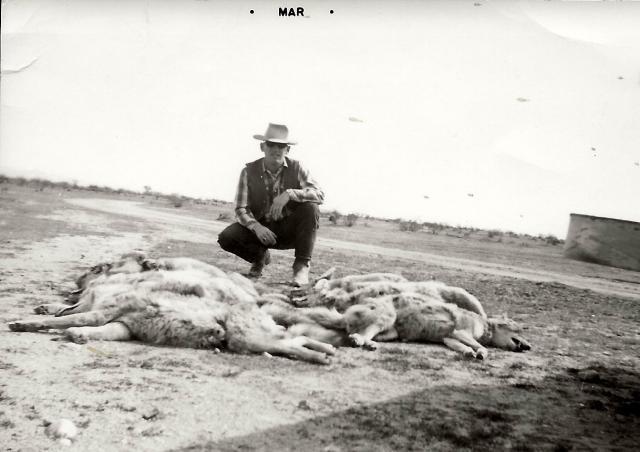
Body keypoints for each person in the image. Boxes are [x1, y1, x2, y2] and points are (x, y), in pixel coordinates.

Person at [217, 123, 324, 286]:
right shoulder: (248, 171)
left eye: (281, 146)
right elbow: (240, 208)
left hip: (289, 232)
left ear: (288, 150)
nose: (276, 149)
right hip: (261, 232)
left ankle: (301, 268)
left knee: (311, 207)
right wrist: (256, 227)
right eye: (271, 144)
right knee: (226, 237)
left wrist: (289, 194)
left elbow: (319, 194)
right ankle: (259, 257)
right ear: (262, 147)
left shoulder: (297, 168)